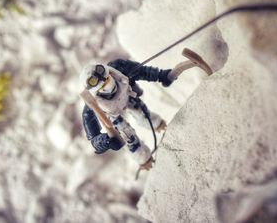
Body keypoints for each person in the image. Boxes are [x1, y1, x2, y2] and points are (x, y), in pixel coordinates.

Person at [81, 49, 212, 169]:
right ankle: (143, 159)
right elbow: (94, 140)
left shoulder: (119, 69)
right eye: (102, 84)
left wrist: (163, 76)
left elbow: (142, 72)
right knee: (128, 136)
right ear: (95, 90)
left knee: (143, 114)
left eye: (108, 78)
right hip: (113, 115)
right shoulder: (92, 105)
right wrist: (107, 140)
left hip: (128, 96)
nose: (108, 83)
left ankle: (157, 124)